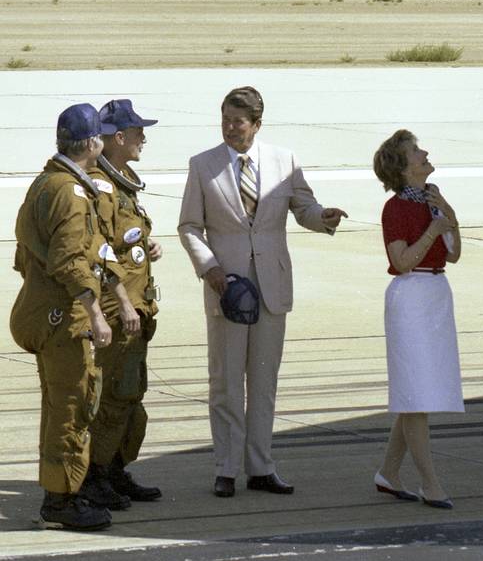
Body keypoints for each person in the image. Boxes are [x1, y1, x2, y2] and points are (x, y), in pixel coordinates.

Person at [177, 85, 347, 498]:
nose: (230, 128)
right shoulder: (203, 165)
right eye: (225, 119)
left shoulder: (283, 161)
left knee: (264, 382)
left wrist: (322, 217)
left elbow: (302, 207)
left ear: (257, 124)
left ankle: (260, 466)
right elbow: (188, 226)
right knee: (226, 382)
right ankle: (226, 467)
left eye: (238, 121)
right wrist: (210, 267)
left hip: (271, 286)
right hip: (228, 288)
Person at [10, 103, 118, 531]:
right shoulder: (71, 194)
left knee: (58, 405)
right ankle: (61, 502)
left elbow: (25, 256)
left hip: (39, 311)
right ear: (92, 143)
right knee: (74, 404)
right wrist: (96, 315)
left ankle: (60, 489)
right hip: (65, 317)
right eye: (101, 138)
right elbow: (71, 260)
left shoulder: (43, 184)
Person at [372, 130, 463, 509]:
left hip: (436, 295)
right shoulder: (395, 209)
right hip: (410, 298)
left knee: (417, 396)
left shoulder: (432, 199)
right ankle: (430, 483)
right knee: (415, 394)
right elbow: (402, 261)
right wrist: (434, 229)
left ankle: (389, 474)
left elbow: (454, 253)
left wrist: (448, 215)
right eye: (415, 151)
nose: (424, 153)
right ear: (403, 166)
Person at [82, 99, 163, 508]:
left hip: (136, 306)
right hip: (119, 309)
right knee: (113, 397)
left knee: (130, 395)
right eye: (137, 132)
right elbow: (98, 251)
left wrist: (146, 246)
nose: (142, 137)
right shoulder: (99, 185)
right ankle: (94, 476)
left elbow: (123, 240)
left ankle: (113, 469)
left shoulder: (122, 179)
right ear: (119, 137)